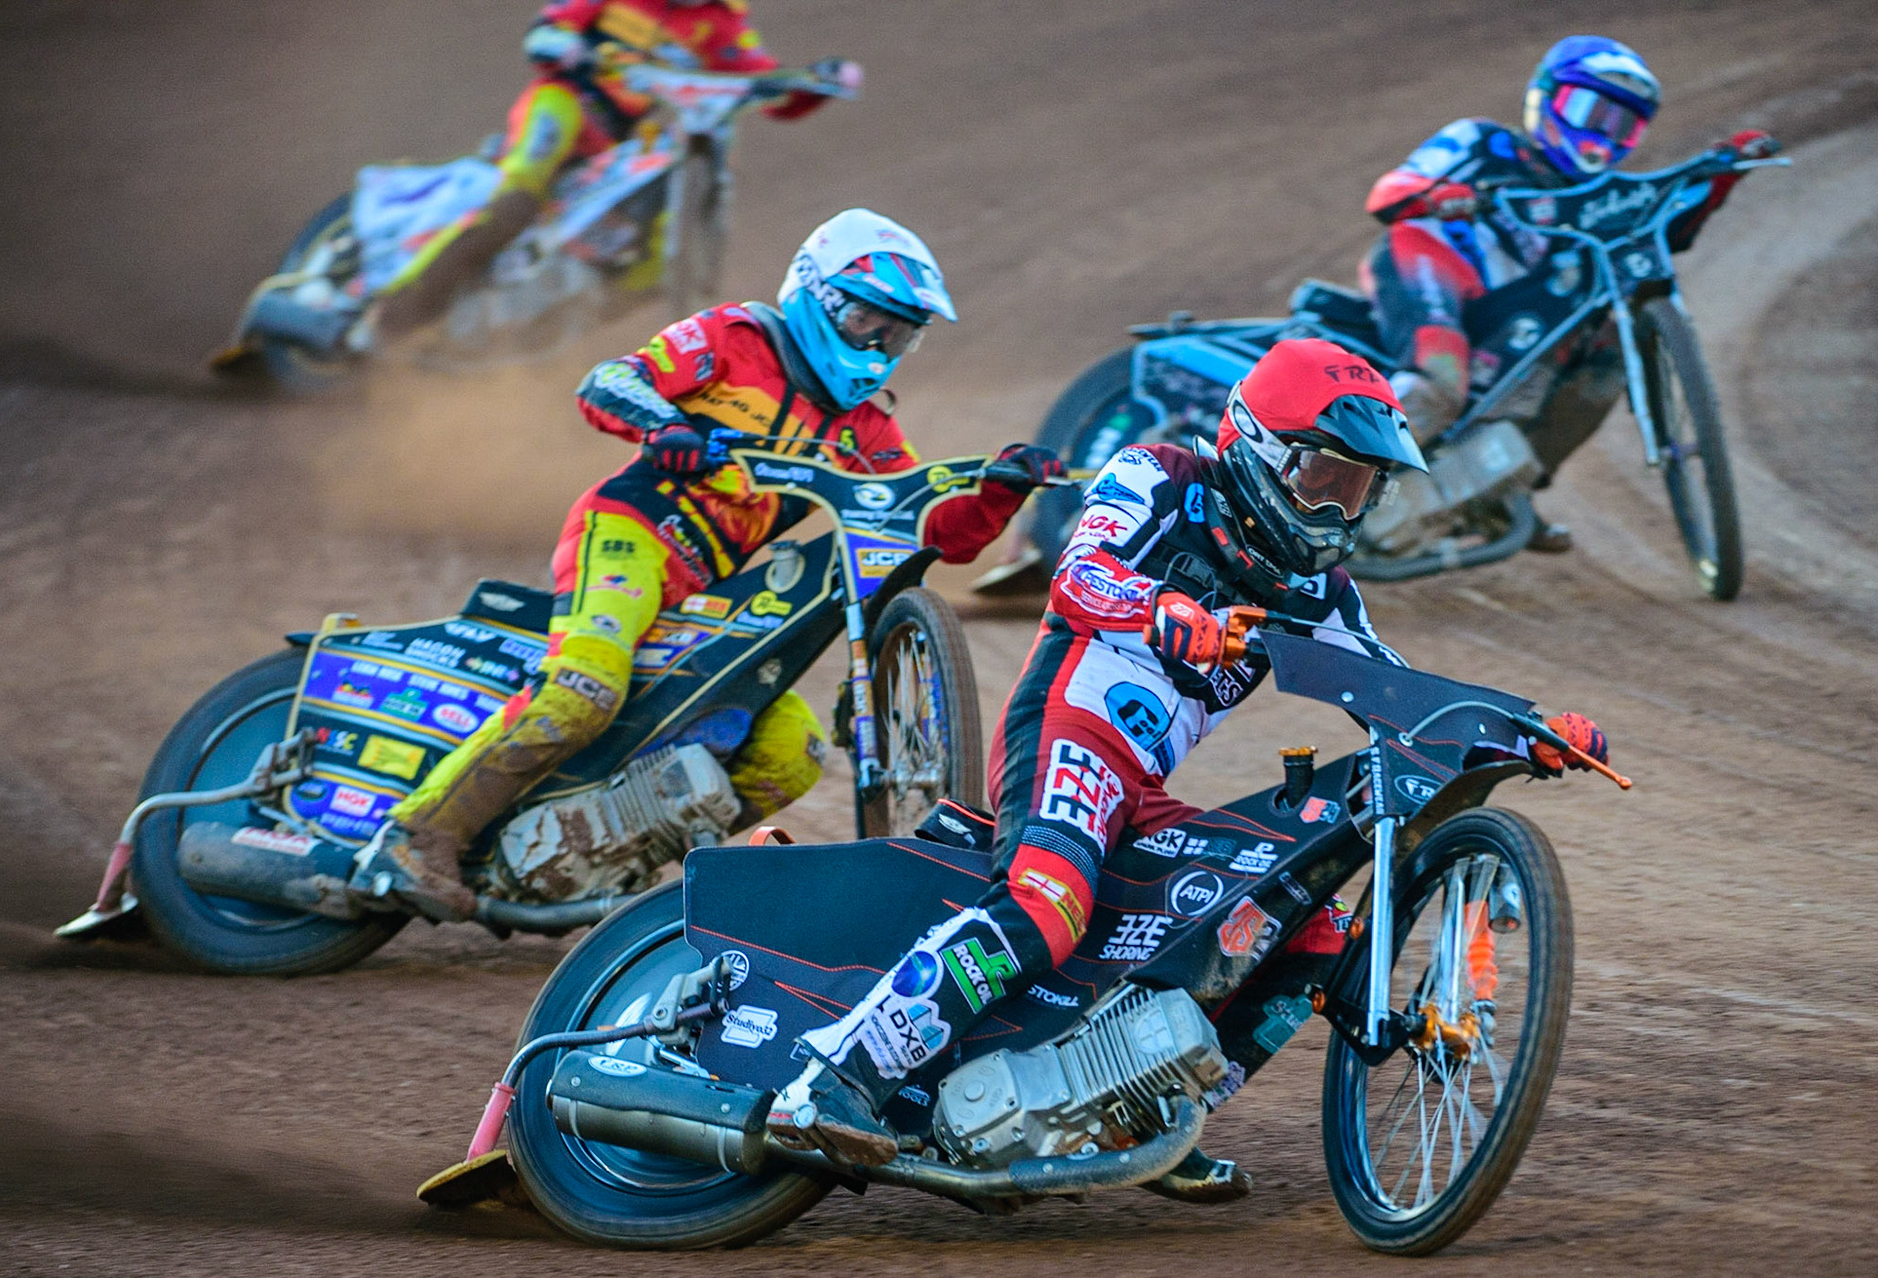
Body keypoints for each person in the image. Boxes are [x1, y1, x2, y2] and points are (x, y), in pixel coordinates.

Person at [764, 338, 1609, 1194]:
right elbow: (1076, 577)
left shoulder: (1321, 591)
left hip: (1143, 786)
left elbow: (1395, 693)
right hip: (1068, 728)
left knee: (1307, 927)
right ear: (1261, 448)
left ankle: (1143, 1115)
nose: (1337, 506)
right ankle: (833, 1079)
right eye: (1323, 476)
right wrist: (1158, 606)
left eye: (1358, 487)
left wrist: (1523, 727)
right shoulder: (1161, 477)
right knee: (1047, 907)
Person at [363, 208, 1065, 920]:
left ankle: (597, 859)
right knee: (584, 690)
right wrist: (664, 425)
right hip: (630, 535)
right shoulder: (735, 337)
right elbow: (610, 381)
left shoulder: (866, 429)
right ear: (818, 297)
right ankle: (416, 836)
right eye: (868, 323)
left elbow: (927, 533)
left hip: (710, 592)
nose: (880, 347)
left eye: (899, 335)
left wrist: (1000, 493)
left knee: (790, 750)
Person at [1359, 34, 1776, 550]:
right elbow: (1388, 194)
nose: (1602, 134)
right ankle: (1321, 485)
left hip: (1512, 313)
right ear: (1546, 98)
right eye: (1590, 112)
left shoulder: (1599, 198)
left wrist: (1722, 177)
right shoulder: (1482, 142)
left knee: (1610, 353)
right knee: (1439, 386)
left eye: (1621, 123)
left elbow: (1664, 234)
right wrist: (1442, 195)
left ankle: (1500, 493)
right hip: (1434, 261)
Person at [360, 0, 858, 347]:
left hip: (620, 146)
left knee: (645, 269)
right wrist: (561, 43)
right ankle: (397, 313)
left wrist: (816, 82)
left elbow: (763, 84)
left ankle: (518, 339)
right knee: (517, 202)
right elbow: (548, 27)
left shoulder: (720, 23)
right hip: (566, 104)